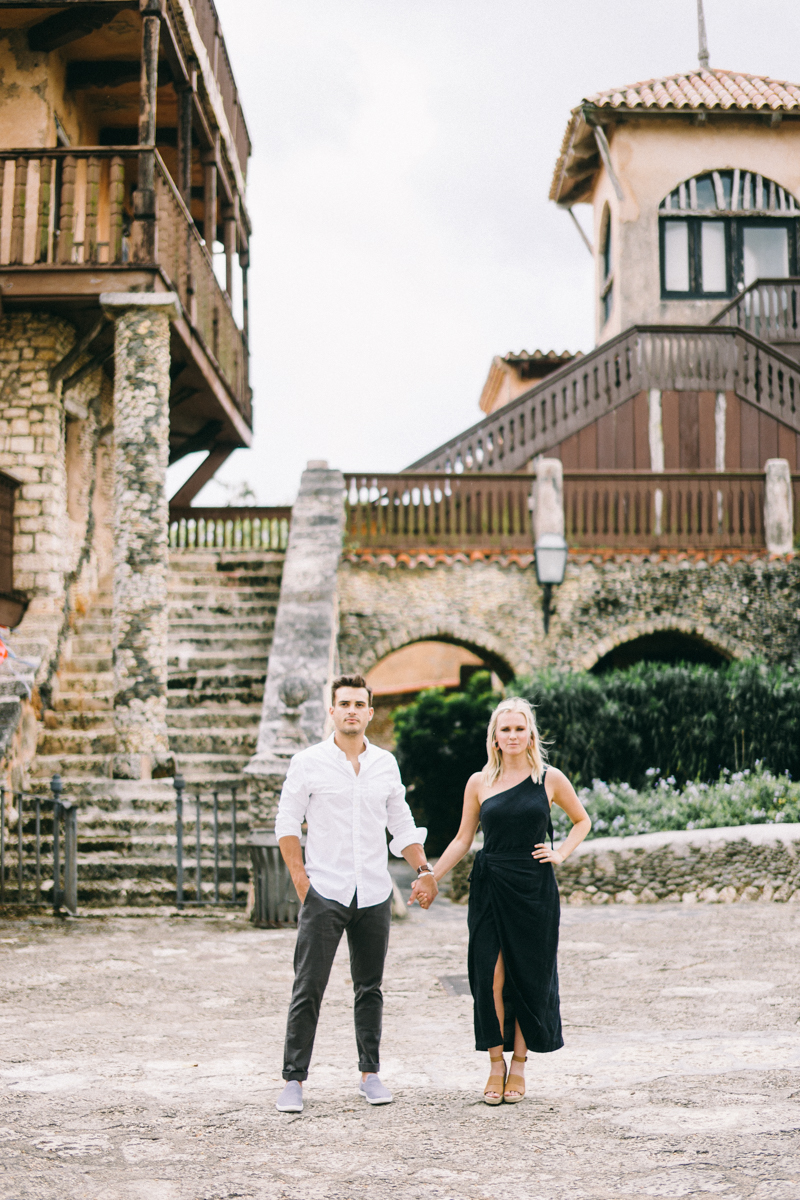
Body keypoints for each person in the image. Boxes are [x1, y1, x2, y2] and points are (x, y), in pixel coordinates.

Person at [409, 696, 590, 1104]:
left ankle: (520, 1066)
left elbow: (582, 820)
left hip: (533, 888)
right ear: (494, 735)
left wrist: (559, 852)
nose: (512, 735)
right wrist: (429, 876)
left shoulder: (550, 779)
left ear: (530, 734)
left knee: (529, 974)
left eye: (519, 728)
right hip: (490, 884)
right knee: (489, 974)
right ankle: (495, 1062)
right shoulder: (480, 782)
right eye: (504, 729)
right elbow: (462, 839)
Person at [274, 674, 438, 1113]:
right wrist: (302, 884)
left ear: (369, 712)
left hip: (373, 892)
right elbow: (287, 825)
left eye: (358, 704)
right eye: (342, 703)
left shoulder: (385, 764)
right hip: (324, 891)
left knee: (370, 987)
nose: (350, 711)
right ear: (331, 711)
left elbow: (401, 825)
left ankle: (370, 1074)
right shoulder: (308, 763)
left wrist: (422, 869)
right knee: (309, 987)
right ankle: (293, 1080)